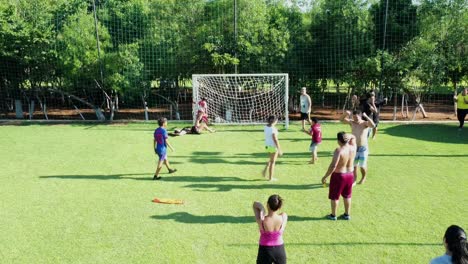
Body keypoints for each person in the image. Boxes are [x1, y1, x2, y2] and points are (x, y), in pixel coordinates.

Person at [321, 132, 356, 220]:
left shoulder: (339, 150)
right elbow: (354, 137)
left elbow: (333, 165)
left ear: (338, 140)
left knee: (334, 196)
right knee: (347, 195)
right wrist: (350, 136)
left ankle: (333, 215)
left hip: (339, 176)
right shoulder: (353, 147)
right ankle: (347, 215)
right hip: (350, 175)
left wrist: (325, 176)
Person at [340, 110, 375, 185]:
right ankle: (354, 179)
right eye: (354, 117)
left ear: (360, 116)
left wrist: (366, 117)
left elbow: (373, 125)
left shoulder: (365, 123)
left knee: (362, 166)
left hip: (363, 148)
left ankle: (363, 177)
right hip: (354, 147)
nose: (355, 119)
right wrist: (345, 114)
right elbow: (341, 120)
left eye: (357, 117)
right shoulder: (352, 122)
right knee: (354, 165)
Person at [253, 195, 287, 264]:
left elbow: (255, 204)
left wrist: (262, 209)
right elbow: (282, 214)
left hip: (265, 251)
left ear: (267, 205)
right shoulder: (283, 217)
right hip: (279, 251)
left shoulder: (261, 220)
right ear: (279, 207)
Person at [262, 115, 283, 181]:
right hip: (273, 146)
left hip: (267, 146)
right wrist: (279, 149)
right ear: (275, 121)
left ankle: (264, 171)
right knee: (273, 162)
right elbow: (275, 140)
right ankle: (270, 178)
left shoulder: (266, 127)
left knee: (271, 159)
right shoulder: (273, 129)